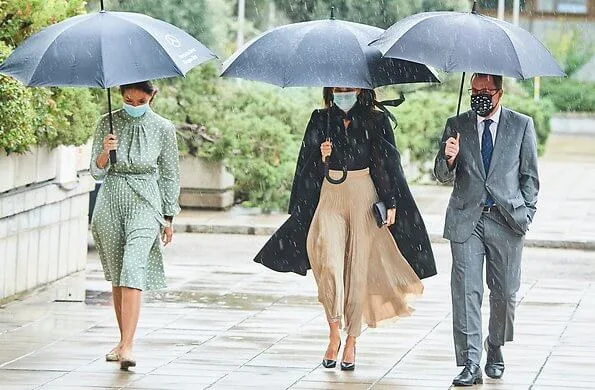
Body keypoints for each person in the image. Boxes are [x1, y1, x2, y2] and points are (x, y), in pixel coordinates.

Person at [254, 87, 436, 371]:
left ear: (361, 89)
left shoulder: (376, 120)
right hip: (330, 196)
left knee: (357, 271)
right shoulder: (320, 119)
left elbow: (386, 163)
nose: (342, 93)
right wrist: (321, 155)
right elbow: (306, 167)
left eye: (348, 88)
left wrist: (391, 201)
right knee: (329, 265)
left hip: (363, 195)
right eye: (337, 89)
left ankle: (352, 340)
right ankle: (333, 332)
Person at [434, 73, 539, 386]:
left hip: (506, 220)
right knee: (466, 292)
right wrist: (448, 158)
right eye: (474, 90)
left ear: (499, 93)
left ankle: (494, 346)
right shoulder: (457, 124)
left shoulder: (522, 125)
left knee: (504, 294)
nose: (479, 95)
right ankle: (469, 361)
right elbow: (441, 174)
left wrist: (527, 213)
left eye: (485, 91)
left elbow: (530, 176)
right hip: (467, 220)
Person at [90, 80, 181, 370]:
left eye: (140, 102)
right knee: (118, 273)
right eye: (129, 101)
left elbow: (169, 173)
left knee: (132, 268)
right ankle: (121, 340)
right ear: (121, 95)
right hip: (112, 199)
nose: (134, 106)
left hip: (145, 199)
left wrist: (168, 216)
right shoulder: (107, 121)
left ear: (152, 97)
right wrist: (106, 151)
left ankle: (128, 345)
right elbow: (95, 170)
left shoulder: (164, 128)